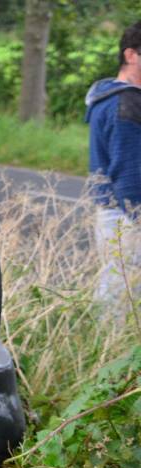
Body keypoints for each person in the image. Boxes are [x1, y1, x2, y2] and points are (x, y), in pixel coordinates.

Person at [85, 20, 141, 308]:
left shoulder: (109, 96)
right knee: (121, 293)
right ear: (131, 55)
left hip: (114, 210)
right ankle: (109, 350)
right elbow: (130, 174)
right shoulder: (127, 103)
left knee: (116, 285)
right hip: (126, 213)